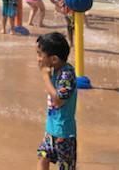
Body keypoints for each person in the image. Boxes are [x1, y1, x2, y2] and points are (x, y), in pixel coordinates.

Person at [36, 32, 77, 170]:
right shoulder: (56, 69)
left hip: (64, 133)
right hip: (51, 129)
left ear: (54, 59)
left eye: (40, 54)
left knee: (65, 166)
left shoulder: (67, 74)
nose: (38, 59)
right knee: (43, 156)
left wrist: (45, 77)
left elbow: (59, 100)